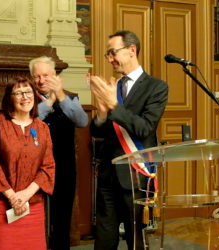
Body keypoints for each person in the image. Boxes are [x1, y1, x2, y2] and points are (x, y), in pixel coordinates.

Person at [89, 30, 168, 250]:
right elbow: (97, 133)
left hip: (136, 176)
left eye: (112, 53)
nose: (109, 59)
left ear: (131, 50)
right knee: (104, 239)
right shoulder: (112, 87)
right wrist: (103, 113)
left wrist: (114, 105)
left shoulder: (156, 87)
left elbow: (144, 128)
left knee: (136, 239)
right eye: (107, 55)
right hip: (108, 173)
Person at [0, 76, 55, 250]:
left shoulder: (42, 128)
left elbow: (48, 167)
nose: (25, 97)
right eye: (18, 93)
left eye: (28, 92)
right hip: (1, 205)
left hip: (33, 206)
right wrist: (13, 197)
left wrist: (25, 195)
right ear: (9, 98)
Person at [29, 56, 88, 250]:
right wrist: (50, 101)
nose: (41, 80)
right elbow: (32, 120)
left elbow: (81, 121)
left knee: (62, 220)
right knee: (39, 221)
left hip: (64, 168)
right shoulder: (26, 99)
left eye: (46, 75)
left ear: (55, 75)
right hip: (35, 171)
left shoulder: (70, 99)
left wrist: (60, 96)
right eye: (37, 76)